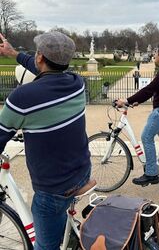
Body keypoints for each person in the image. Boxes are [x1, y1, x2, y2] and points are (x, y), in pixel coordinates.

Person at [0, 32, 92, 249]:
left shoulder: (23, 97)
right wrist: (13, 53)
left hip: (53, 189)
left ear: (40, 57)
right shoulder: (77, 83)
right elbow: (48, 74)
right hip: (82, 172)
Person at [116, 43, 159, 186]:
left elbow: (149, 89)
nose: (154, 54)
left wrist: (127, 100)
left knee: (146, 137)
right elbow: (156, 90)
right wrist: (137, 101)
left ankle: (151, 173)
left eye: (156, 52)